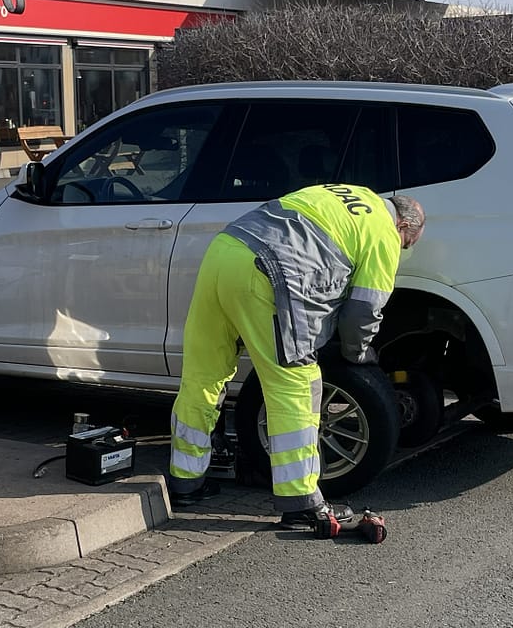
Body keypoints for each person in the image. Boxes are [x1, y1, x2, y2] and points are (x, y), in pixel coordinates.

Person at [168, 182, 425, 532]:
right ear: (403, 226)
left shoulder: (356, 194)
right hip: (267, 272)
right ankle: (301, 503)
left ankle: (186, 482)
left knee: (203, 375)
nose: (403, 249)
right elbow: (362, 311)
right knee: (295, 386)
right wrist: (358, 354)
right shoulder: (383, 233)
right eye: (407, 244)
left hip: (224, 250)